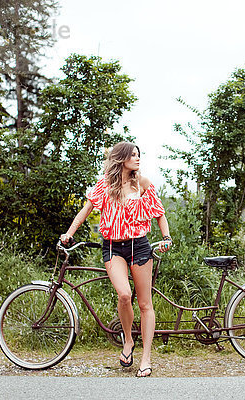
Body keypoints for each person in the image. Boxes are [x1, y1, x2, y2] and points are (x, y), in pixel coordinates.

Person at [60, 142, 172, 378]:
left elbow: (159, 213)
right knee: (124, 295)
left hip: (139, 246)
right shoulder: (105, 185)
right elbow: (85, 211)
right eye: (133, 155)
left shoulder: (142, 183)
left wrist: (166, 237)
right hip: (113, 247)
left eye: (139, 155)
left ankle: (146, 358)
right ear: (121, 158)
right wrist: (69, 233)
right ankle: (128, 340)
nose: (138, 158)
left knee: (145, 304)